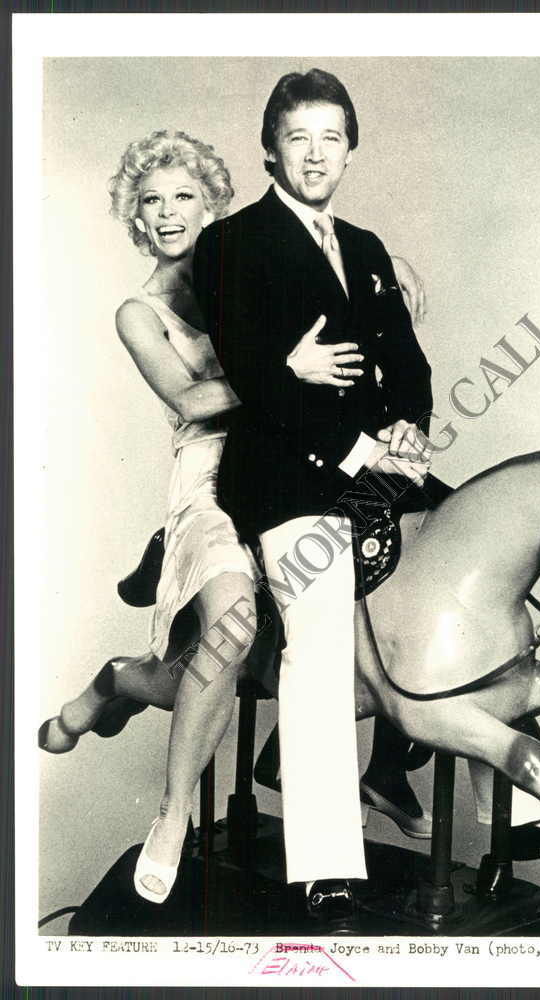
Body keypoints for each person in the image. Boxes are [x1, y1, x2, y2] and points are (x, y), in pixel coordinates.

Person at [39, 128, 431, 905]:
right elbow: (190, 401)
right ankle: (172, 808)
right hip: (211, 475)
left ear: (212, 203)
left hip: (293, 455)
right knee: (231, 626)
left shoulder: (259, 260)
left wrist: (385, 293)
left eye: (183, 195)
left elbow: (354, 321)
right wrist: (280, 367)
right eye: (151, 201)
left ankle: (387, 767)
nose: (168, 212)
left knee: (419, 550)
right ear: (134, 218)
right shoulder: (140, 312)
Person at [193, 69, 444, 924]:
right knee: (322, 634)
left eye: (329, 138)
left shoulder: (365, 247)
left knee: (490, 563)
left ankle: (520, 810)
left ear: (349, 151)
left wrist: (407, 426)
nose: (313, 154)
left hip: (378, 465)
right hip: (286, 473)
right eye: (296, 138)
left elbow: (406, 363)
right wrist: (338, 426)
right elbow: (249, 373)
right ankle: (328, 865)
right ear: (270, 150)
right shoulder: (230, 241)